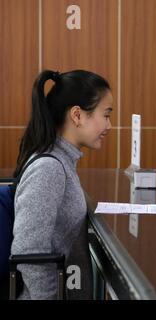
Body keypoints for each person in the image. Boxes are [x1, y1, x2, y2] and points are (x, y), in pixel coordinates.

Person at [11, 70, 113, 299]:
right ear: (77, 115)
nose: (109, 126)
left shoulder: (63, 161)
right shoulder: (49, 168)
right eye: (106, 115)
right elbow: (29, 252)